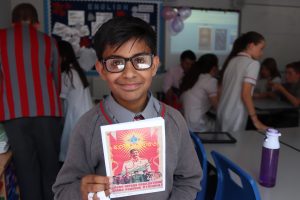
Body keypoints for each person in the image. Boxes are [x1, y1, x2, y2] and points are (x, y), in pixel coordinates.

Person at [53, 16, 201, 200]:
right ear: (101, 70)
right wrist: (80, 192)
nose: (129, 74)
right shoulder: (87, 127)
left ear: (154, 66)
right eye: (116, 63)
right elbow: (62, 191)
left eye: (140, 60)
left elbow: (188, 180)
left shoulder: (174, 121)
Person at [0, 3, 62, 200]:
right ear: (36, 22)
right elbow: (56, 78)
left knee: (26, 169)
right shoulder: (48, 41)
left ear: (13, 21)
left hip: (13, 112)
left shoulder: (0, 38)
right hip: (48, 110)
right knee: (50, 167)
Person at [217, 31, 268, 132]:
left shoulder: (232, 60)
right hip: (235, 113)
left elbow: (221, 89)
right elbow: (245, 94)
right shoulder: (253, 64)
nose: (262, 53)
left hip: (222, 111)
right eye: (261, 49)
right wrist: (255, 120)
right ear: (251, 45)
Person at [57, 40, 94, 162]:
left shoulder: (67, 74)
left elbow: (61, 101)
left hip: (76, 116)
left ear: (64, 56)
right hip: (86, 113)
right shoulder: (76, 70)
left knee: (72, 150)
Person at [180, 54, 219, 132]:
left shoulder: (192, 77)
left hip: (186, 122)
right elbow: (217, 106)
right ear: (214, 68)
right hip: (197, 124)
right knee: (219, 125)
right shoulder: (210, 80)